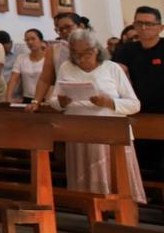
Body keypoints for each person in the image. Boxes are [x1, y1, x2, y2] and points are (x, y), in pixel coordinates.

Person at [51, 29, 145, 205]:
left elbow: (134, 105)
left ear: (96, 49)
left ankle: (123, 217)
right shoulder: (66, 67)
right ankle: (93, 218)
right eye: (76, 53)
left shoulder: (112, 68)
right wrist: (61, 102)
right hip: (79, 135)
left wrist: (109, 102)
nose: (81, 58)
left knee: (117, 185)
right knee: (87, 190)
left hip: (111, 135)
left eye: (86, 53)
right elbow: (54, 101)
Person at [113, 6, 164, 182]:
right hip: (137, 111)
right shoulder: (126, 50)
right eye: (139, 23)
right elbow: (117, 75)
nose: (143, 28)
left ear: (160, 27)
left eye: (149, 24)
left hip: (162, 111)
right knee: (140, 161)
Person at [27, 10, 79, 110]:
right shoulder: (54, 50)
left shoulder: (92, 47)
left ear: (80, 26)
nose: (64, 31)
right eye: (60, 29)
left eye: (68, 27)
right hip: (63, 99)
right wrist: (35, 101)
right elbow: (45, 79)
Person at [5, 28, 47, 104]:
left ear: (41, 41)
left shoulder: (48, 58)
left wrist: (48, 100)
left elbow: (51, 82)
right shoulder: (21, 58)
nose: (30, 42)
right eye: (27, 40)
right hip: (27, 98)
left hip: (44, 98)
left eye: (33, 39)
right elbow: (13, 79)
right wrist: (8, 97)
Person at [0, 30, 17, 99]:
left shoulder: (21, 52)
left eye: (4, 47)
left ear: (10, 42)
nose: (2, 50)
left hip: (15, 94)